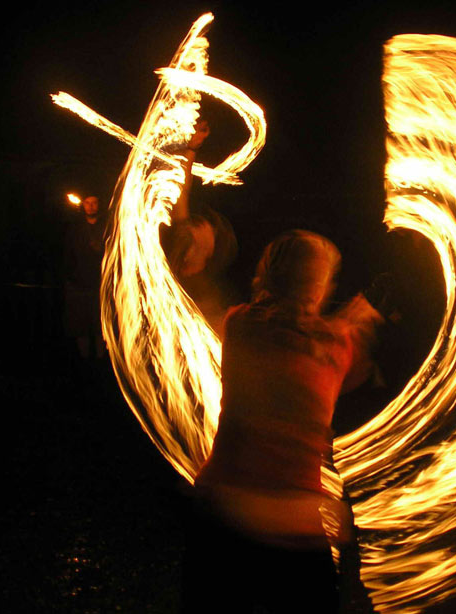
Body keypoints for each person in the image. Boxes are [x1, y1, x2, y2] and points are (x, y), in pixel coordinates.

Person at [181, 230, 384, 614]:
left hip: (220, 508)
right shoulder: (336, 347)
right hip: (292, 526)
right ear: (318, 287)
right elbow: (351, 369)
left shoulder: (239, 324)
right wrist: (361, 319)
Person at [161, 119, 237, 334]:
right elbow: (181, 192)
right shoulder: (171, 282)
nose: (202, 224)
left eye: (210, 226)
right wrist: (190, 150)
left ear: (211, 251)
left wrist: (191, 149)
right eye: (202, 223)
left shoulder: (209, 297)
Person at [63, 195, 106, 359]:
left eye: (94, 203)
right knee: (80, 324)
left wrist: (100, 250)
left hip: (100, 283)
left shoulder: (106, 228)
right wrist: (70, 277)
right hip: (79, 283)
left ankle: (100, 360)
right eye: (87, 203)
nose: (91, 206)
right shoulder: (75, 229)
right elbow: (68, 254)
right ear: (83, 205)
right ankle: (84, 360)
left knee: (99, 324)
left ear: (99, 204)